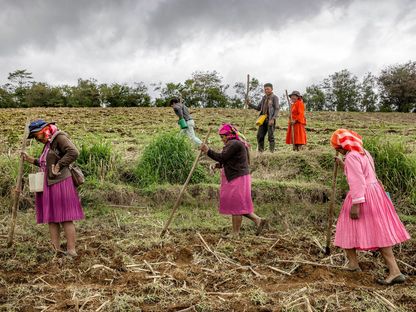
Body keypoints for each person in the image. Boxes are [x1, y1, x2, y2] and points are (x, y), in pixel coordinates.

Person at [330, 129, 410, 285]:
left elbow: (357, 181)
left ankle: (388, 271)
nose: (337, 150)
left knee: (346, 227)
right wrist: (343, 164)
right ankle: (390, 270)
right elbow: (363, 173)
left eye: (337, 147)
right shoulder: (363, 152)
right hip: (375, 194)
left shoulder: (352, 156)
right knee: (378, 231)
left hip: (362, 196)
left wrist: (356, 204)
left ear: (342, 146)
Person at [22, 120, 84, 257]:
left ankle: (71, 250)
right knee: (52, 218)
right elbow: (46, 163)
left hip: (61, 182)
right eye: (35, 137)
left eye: (37, 135)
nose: (38, 139)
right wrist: (31, 160)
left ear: (45, 130)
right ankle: (55, 250)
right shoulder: (48, 143)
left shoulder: (59, 137)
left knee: (66, 217)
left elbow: (73, 152)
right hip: (49, 182)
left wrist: (59, 165)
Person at [200, 124, 267, 236]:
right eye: (221, 137)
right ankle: (258, 220)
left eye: (223, 137)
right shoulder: (234, 144)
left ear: (229, 135)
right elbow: (228, 160)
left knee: (236, 206)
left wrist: (208, 151)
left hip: (237, 178)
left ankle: (235, 233)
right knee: (238, 205)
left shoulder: (234, 144)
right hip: (237, 177)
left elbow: (222, 157)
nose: (222, 139)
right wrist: (218, 165)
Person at [248, 83, 280, 152]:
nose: (266, 90)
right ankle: (261, 151)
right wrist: (250, 104)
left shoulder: (274, 97)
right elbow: (258, 108)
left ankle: (271, 152)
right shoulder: (264, 98)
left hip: (270, 119)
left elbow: (277, 109)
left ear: (272, 89)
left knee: (270, 137)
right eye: (265, 89)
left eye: (267, 89)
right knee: (260, 136)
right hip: (262, 119)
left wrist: (273, 119)